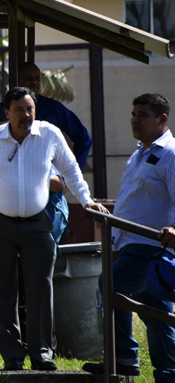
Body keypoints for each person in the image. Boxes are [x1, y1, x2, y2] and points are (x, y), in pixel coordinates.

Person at [0, 87, 107, 371]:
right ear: (7, 113)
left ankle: (42, 353)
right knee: (2, 291)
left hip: (37, 223)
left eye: (30, 109)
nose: (25, 115)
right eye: (19, 110)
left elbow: (70, 171)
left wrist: (87, 201)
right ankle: (12, 356)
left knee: (41, 286)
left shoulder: (49, 134)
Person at [83, 93, 175, 380]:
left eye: (143, 115)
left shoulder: (170, 153)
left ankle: (122, 356)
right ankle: (169, 372)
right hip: (130, 244)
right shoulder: (139, 154)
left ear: (163, 119)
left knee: (110, 284)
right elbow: (129, 203)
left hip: (150, 247)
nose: (135, 120)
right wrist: (113, 243)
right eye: (134, 114)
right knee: (156, 314)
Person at [17, 62, 92, 168]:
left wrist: (73, 172)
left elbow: (83, 139)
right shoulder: (6, 109)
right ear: (17, 80)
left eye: (37, 78)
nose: (34, 82)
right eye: (28, 78)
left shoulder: (52, 108)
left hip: (48, 178)